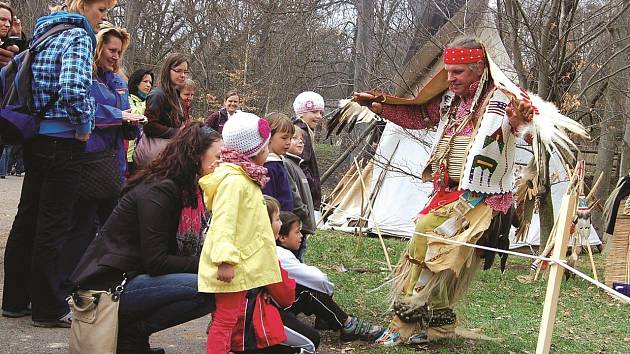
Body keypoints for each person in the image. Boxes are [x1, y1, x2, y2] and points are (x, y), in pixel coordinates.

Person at [348, 36, 535, 345]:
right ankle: (435, 324)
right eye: (448, 72)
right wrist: (380, 107)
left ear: (478, 69)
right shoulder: (451, 101)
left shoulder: (504, 99)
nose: (450, 78)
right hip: (447, 192)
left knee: (435, 247)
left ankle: (409, 320)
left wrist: (520, 125)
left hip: (482, 199)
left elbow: (532, 137)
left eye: (458, 72)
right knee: (434, 256)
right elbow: (419, 117)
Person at [1, 0, 115, 328]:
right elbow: (73, 89)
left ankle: (15, 300)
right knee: (54, 226)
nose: (104, 18)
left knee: (27, 221)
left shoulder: (45, 33)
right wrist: (83, 127)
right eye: (102, 10)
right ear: (84, 6)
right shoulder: (78, 37)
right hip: (64, 142)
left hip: (36, 139)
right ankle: (47, 308)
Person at [70, 122, 220, 353]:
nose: (220, 164)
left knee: (210, 282)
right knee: (207, 287)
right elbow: (156, 261)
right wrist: (210, 265)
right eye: (217, 156)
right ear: (195, 154)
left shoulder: (182, 188)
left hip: (131, 277)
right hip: (108, 287)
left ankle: (134, 338)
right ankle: (132, 335)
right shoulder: (160, 189)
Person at [58, 24, 145, 303]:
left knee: (111, 229)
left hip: (114, 163)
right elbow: (89, 110)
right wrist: (119, 116)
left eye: (119, 51)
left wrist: (132, 123)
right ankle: (65, 286)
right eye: (111, 50)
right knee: (81, 228)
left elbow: (125, 115)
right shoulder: (87, 75)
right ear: (98, 47)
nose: (115, 56)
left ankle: (99, 285)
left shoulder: (120, 79)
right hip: (90, 159)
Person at [198, 112, 282, 354]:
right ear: (253, 151)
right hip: (231, 267)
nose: (268, 153)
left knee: (233, 318)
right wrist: (225, 260)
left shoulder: (247, 178)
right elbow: (224, 223)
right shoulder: (234, 182)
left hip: (243, 264)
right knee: (224, 321)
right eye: (266, 148)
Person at [277, 211, 385, 343]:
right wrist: (328, 291)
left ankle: (326, 319)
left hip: (275, 305)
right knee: (308, 291)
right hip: (273, 312)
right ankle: (348, 324)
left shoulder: (279, 252)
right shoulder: (281, 256)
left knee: (304, 288)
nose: (301, 236)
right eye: (297, 232)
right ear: (282, 237)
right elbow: (318, 279)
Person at [231, 196, 317, 354]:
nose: (280, 223)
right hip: (252, 326)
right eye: (277, 219)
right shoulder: (265, 253)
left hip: (236, 324)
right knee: (310, 344)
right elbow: (286, 295)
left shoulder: (237, 246)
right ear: (263, 224)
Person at [283, 124, 316, 261]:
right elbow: (293, 194)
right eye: (294, 138)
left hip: (302, 228)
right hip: (296, 226)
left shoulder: (298, 165)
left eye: (301, 139)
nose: (300, 141)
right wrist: (303, 212)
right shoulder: (286, 164)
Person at [143, 53, 189, 140]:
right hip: (158, 150)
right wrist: (177, 133)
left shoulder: (175, 93)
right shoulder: (158, 94)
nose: (183, 75)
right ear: (168, 70)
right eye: (178, 71)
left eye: (185, 72)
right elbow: (149, 126)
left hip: (172, 147)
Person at [292, 91, 324, 217]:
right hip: (303, 194)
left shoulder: (305, 132)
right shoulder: (301, 134)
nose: (319, 116)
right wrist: (312, 189)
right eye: (314, 112)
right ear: (301, 112)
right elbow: (303, 165)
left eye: (321, 112)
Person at [262, 113, 294, 211]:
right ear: (269, 137)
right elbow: (269, 201)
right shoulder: (269, 167)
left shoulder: (278, 162)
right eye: (284, 138)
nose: (289, 142)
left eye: (291, 138)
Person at [126, 68, 154, 175]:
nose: (148, 85)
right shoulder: (127, 99)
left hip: (143, 153)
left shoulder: (149, 101)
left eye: (150, 82)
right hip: (127, 152)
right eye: (145, 81)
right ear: (136, 82)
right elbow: (135, 115)